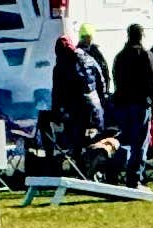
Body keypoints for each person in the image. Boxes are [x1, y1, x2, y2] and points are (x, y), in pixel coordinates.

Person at [46, 27, 108, 168]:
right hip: (95, 107)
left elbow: (57, 93)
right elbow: (101, 80)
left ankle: (82, 171)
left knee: (77, 142)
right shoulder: (88, 58)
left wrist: (56, 112)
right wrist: (102, 101)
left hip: (76, 110)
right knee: (96, 139)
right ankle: (99, 169)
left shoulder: (60, 66)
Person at [109, 24, 153, 182]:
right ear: (141, 36)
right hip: (140, 104)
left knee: (124, 139)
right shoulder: (146, 55)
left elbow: (116, 79)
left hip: (122, 104)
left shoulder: (120, 56)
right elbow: (151, 81)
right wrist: (152, 102)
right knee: (140, 142)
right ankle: (134, 177)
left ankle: (113, 171)